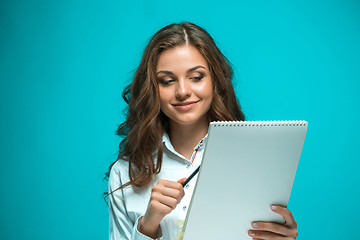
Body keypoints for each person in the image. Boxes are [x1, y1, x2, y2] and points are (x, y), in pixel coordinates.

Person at [106, 22, 298, 240]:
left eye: (196, 77)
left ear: (215, 80)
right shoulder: (125, 173)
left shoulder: (253, 160)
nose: (183, 91)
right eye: (167, 81)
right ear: (153, 89)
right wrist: (148, 225)